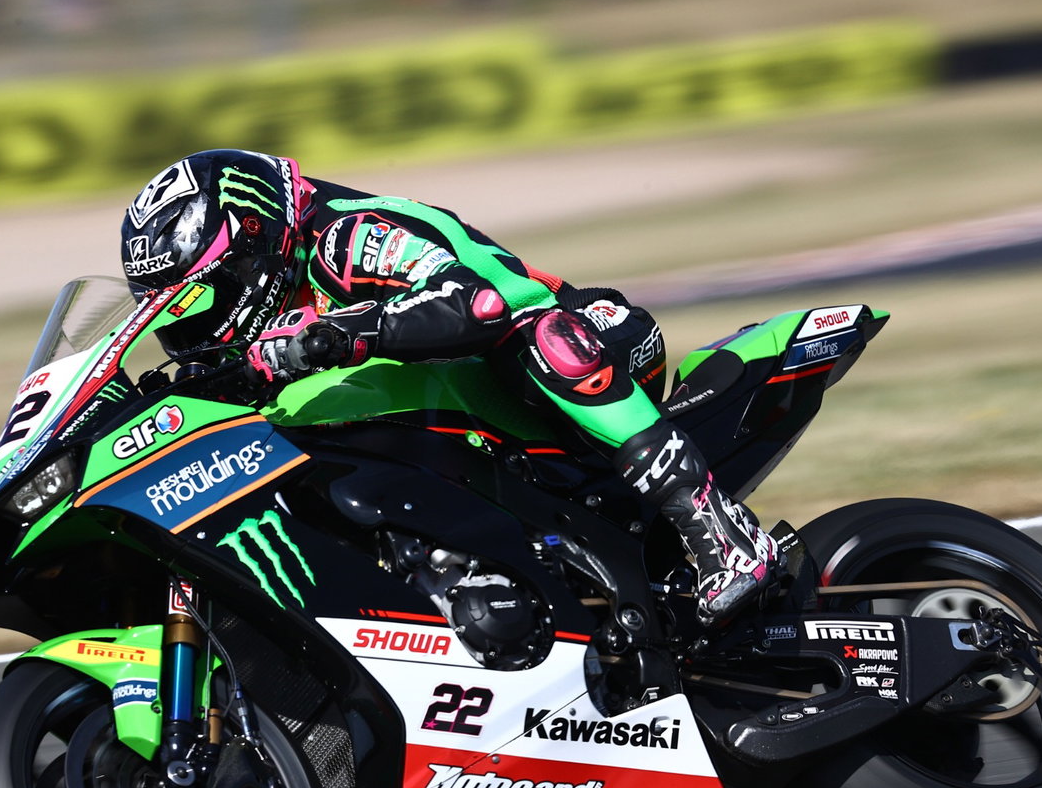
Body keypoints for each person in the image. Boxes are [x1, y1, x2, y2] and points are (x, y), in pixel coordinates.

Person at [119, 149, 781, 627]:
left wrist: (336, 335)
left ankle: (714, 526)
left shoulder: (348, 235)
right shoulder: (266, 308)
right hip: (466, 408)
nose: (197, 321)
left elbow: (481, 303)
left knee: (539, 330)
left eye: (206, 298)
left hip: (596, 340)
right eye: (174, 310)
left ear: (253, 244)